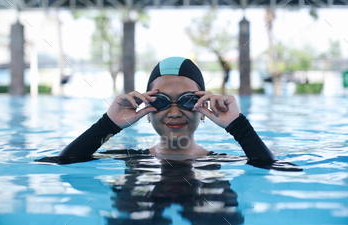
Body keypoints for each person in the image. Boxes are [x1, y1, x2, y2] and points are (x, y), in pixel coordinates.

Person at [36, 56, 301, 171]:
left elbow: (280, 169)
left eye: (187, 101)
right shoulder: (130, 160)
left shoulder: (224, 161)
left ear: (203, 108)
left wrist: (239, 126)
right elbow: (60, 162)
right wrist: (108, 124)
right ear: (147, 111)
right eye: (161, 101)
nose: (174, 111)